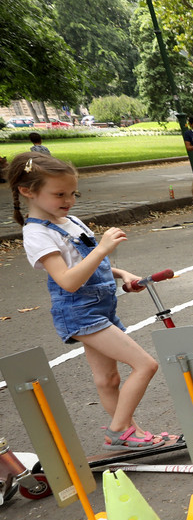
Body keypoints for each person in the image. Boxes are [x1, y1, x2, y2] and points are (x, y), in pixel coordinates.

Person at [9, 152, 170, 449]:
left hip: (102, 306)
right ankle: (119, 429)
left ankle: (129, 432)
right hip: (80, 311)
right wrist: (103, 248)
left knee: (108, 379)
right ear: (27, 191)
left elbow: (92, 266)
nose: (68, 200)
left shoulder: (69, 220)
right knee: (145, 365)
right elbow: (68, 280)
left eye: (73, 193)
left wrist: (122, 275)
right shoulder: (36, 234)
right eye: (59, 194)